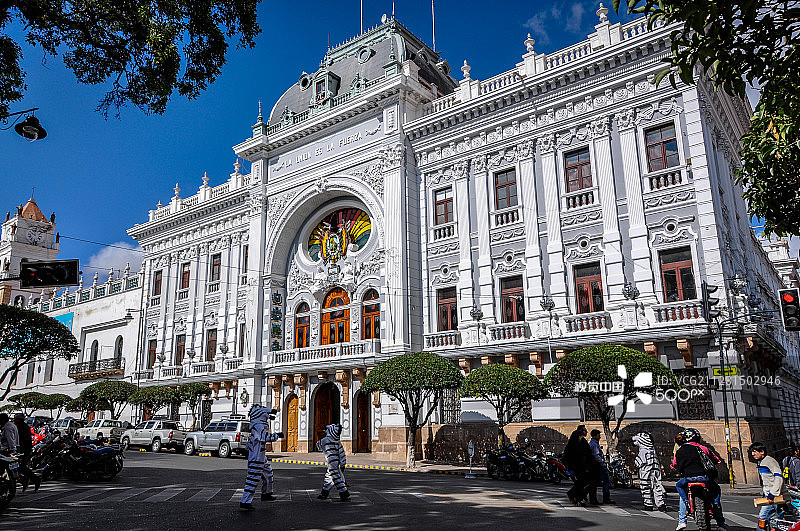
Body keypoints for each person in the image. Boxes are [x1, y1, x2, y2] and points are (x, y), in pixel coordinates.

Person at [674, 432, 727, 531]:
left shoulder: (680, 451)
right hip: (704, 477)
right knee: (716, 490)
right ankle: (720, 521)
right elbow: (717, 460)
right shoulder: (702, 448)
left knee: (681, 491)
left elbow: (676, 464)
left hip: (688, 478)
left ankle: (682, 520)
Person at [239, 405, 283, 511]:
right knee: (253, 478)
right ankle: (245, 501)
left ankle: (266, 494)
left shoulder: (258, 425)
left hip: (260, 455)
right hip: (256, 456)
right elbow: (264, 437)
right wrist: (277, 435)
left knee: (268, 473)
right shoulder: (258, 426)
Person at [750, 441, 785, 530]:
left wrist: (772, 493)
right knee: (780, 519)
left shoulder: (770, 461)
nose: (752, 454)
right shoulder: (762, 462)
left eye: (755, 451)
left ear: (762, 451)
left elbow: (779, 477)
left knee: (763, 516)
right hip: (770, 495)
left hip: (774, 496)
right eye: (752, 451)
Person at [633, 432, 667, 512]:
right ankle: (661, 505)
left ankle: (648, 505)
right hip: (655, 470)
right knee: (657, 486)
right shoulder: (652, 450)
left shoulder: (643, 450)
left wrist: (636, 461)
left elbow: (640, 462)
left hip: (646, 471)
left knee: (645, 487)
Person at [317, 424, 349, 501]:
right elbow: (342, 453)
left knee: (336, 478)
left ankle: (344, 493)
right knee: (328, 477)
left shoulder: (324, 440)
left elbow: (318, 446)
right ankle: (324, 493)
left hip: (331, 462)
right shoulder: (338, 441)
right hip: (337, 461)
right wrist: (343, 463)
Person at [564, 426, 592, 506]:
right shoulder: (571, 445)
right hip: (575, 467)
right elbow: (567, 456)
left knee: (583, 482)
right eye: (580, 436)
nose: (581, 438)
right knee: (580, 482)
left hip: (583, 466)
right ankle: (580, 498)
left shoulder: (582, 442)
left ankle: (573, 494)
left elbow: (587, 452)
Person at [12, 413, 40, 492]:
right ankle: (26, 479)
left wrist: (21, 450)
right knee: (19, 467)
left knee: (21, 467)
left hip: (23, 450)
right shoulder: (19, 427)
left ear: (18, 420)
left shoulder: (22, 427)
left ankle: (33, 479)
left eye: (15, 419)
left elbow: (24, 441)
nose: (14, 420)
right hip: (22, 449)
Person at [589, 429, 615, 505]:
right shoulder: (594, 445)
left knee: (595, 482)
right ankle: (606, 498)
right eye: (598, 435)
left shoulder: (594, 443)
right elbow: (596, 455)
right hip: (599, 466)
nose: (599, 437)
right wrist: (602, 462)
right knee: (606, 481)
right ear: (594, 436)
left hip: (598, 466)